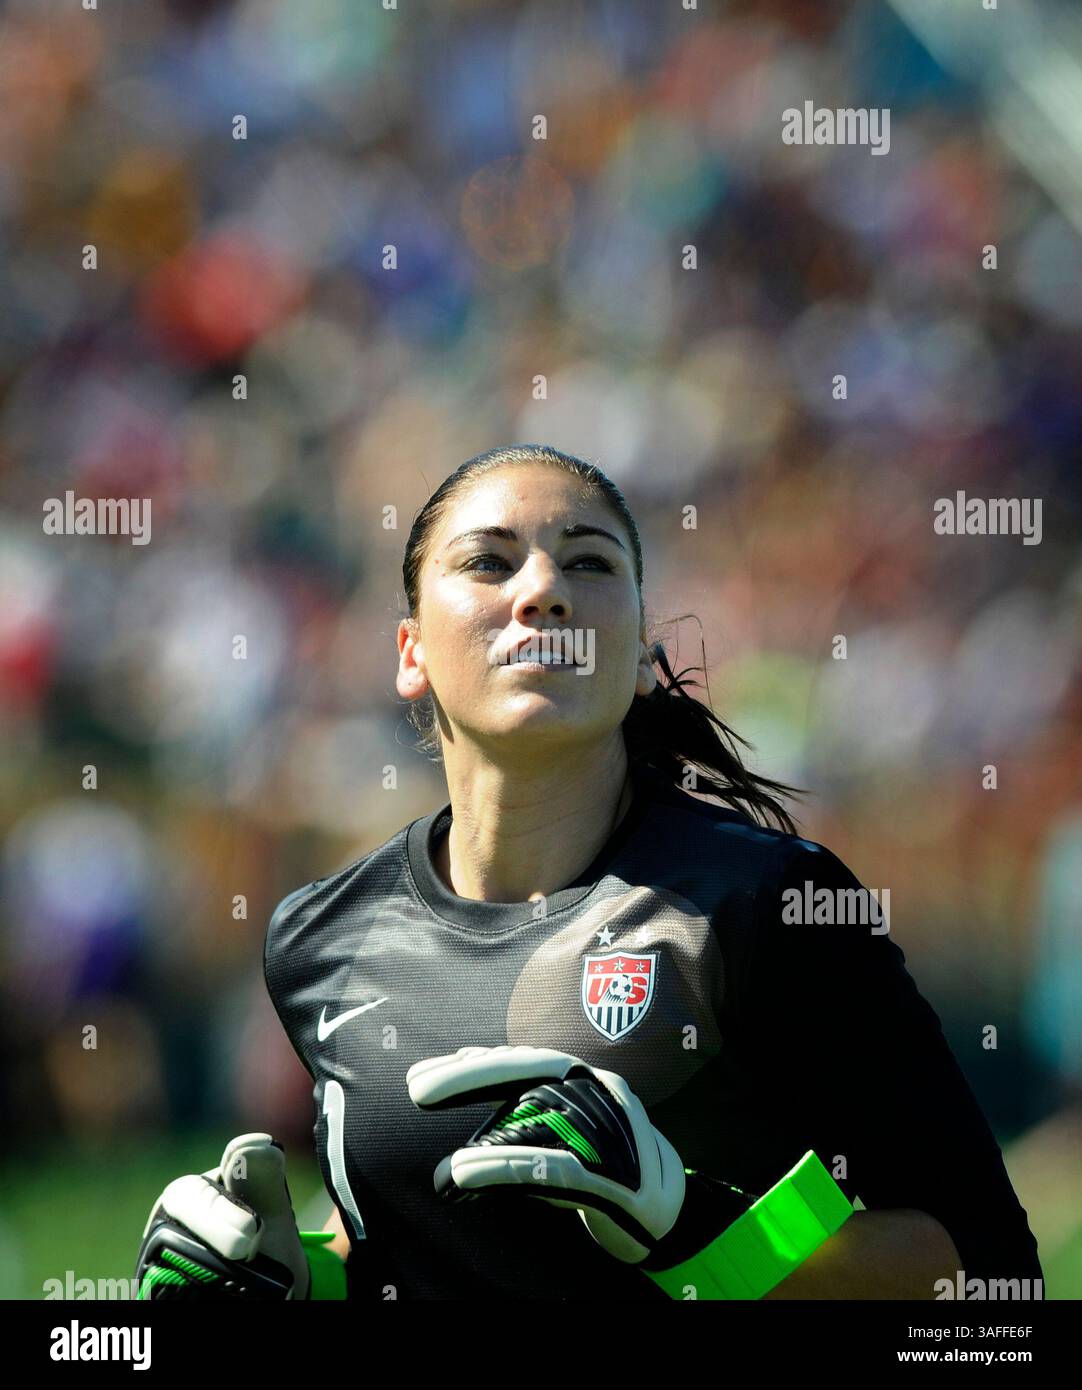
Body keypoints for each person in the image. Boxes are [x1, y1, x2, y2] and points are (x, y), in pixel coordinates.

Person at [140, 443, 1043, 1300]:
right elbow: (418, 1248)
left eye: (589, 564)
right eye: (489, 563)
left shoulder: (765, 903)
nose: (543, 590)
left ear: (645, 657)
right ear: (411, 653)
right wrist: (295, 1279)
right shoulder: (322, 936)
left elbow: (991, 1280)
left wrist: (696, 1229)